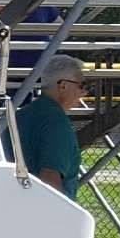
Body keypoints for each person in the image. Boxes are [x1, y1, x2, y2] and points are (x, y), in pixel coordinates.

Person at [14, 52, 87, 198]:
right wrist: (61, 218)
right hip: (41, 214)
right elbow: (49, 178)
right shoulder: (56, 123)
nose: (84, 92)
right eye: (81, 85)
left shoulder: (20, 115)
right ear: (63, 86)